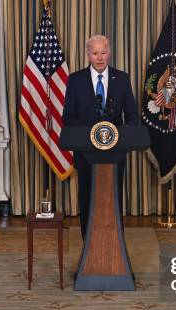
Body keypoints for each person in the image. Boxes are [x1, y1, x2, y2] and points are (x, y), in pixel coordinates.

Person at [62, 35, 139, 239]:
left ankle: (115, 249)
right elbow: (68, 116)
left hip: (115, 153)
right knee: (87, 200)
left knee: (113, 200)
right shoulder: (76, 80)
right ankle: (88, 248)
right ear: (88, 55)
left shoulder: (122, 79)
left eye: (103, 52)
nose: (99, 57)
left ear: (110, 53)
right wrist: (93, 134)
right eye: (95, 53)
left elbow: (132, 115)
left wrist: (122, 135)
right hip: (86, 154)